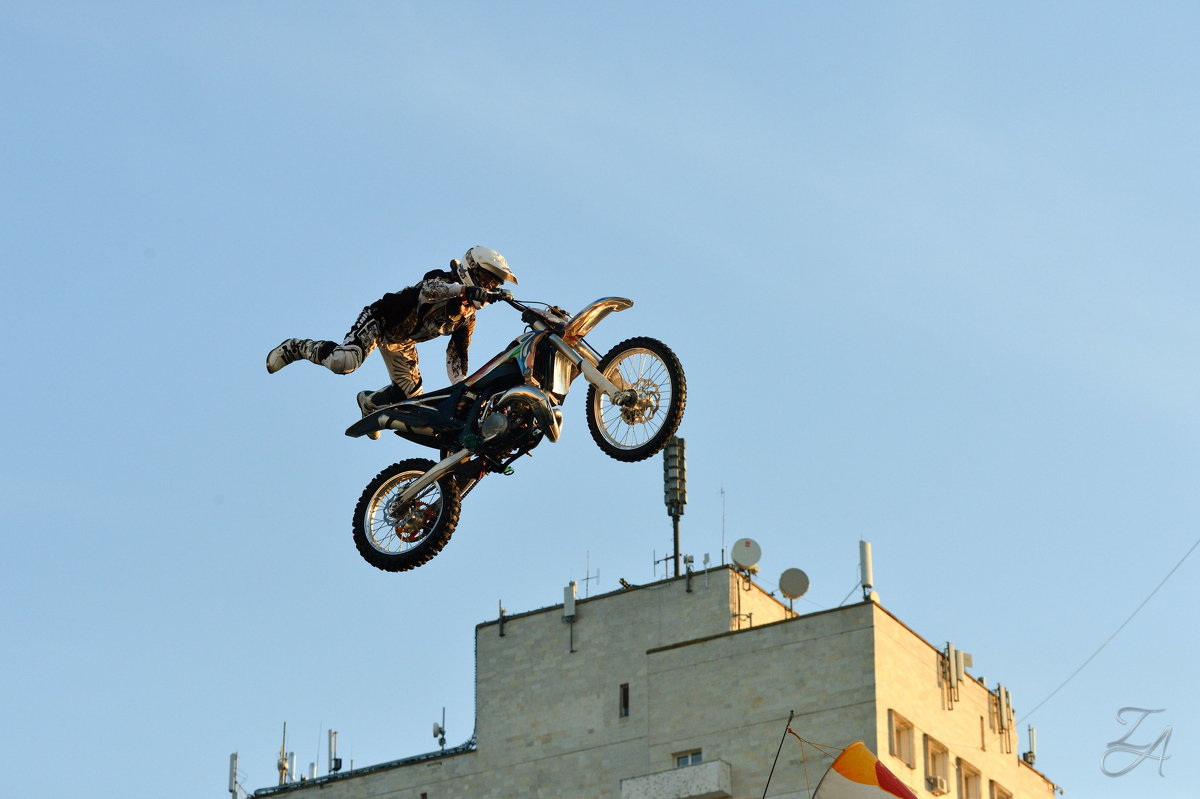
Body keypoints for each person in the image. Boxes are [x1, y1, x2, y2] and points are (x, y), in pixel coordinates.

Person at [266, 246, 518, 437]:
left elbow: (457, 355)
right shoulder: (444, 280)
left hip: (403, 342)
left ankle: (371, 402)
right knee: (344, 362)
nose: (488, 287)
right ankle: (296, 347)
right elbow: (429, 289)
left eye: (493, 283)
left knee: (413, 404)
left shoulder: (467, 318)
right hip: (380, 322)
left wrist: (463, 388)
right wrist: (464, 290)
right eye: (485, 280)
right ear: (470, 269)